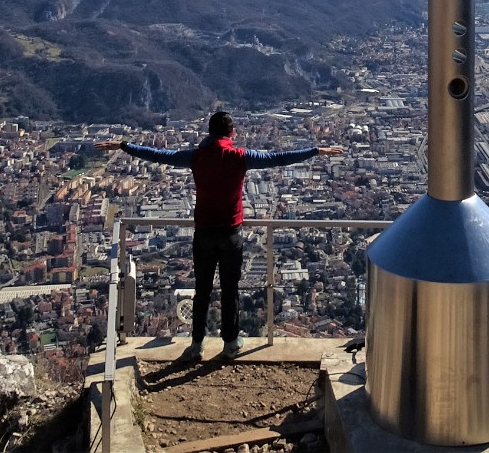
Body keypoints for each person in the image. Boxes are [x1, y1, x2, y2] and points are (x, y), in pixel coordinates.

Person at [96, 111, 341, 361]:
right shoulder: (239, 157)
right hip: (231, 233)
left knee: (201, 290)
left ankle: (197, 344)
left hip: (203, 233)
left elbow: (160, 156)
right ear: (231, 133)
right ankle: (231, 343)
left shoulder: (196, 156)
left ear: (209, 133)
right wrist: (315, 151)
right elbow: (277, 158)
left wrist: (124, 146)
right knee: (229, 289)